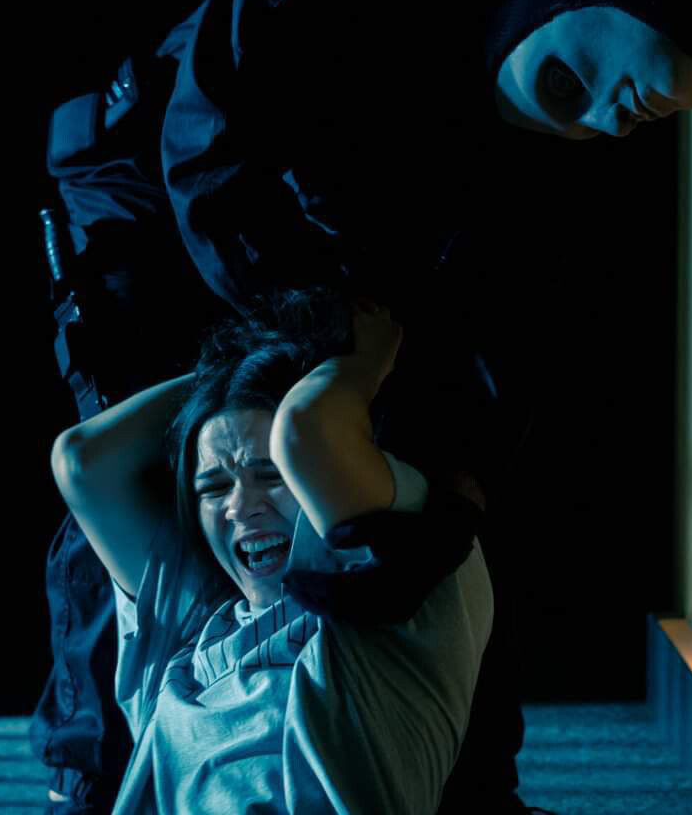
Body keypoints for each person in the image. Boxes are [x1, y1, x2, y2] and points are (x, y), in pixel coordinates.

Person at [34, 0, 692, 812]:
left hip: (331, 260)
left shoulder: (542, 168)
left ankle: (472, 789)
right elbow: (206, 153)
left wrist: (450, 484)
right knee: (168, 472)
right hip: (156, 197)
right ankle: (95, 779)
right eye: (638, 90)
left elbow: (492, 370)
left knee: (416, 495)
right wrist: (309, 351)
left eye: (648, 118)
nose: (624, 123)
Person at [52, 290, 492, 814]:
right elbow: (83, 461)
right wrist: (237, 374)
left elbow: (310, 432)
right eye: (215, 487)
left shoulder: (404, 604)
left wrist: (360, 363)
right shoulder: (188, 632)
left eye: (272, 475)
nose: (240, 507)